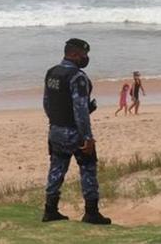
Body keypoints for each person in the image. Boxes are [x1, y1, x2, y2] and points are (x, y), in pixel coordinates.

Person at [42, 38, 111, 225]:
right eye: (83, 54)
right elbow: (80, 110)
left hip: (55, 130)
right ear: (73, 54)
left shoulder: (52, 73)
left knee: (56, 170)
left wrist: (54, 124)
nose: (85, 58)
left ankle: (50, 210)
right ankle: (91, 213)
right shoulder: (77, 77)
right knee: (88, 169)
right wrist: (87, 137)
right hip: (74, 132)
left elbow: (47, 103)